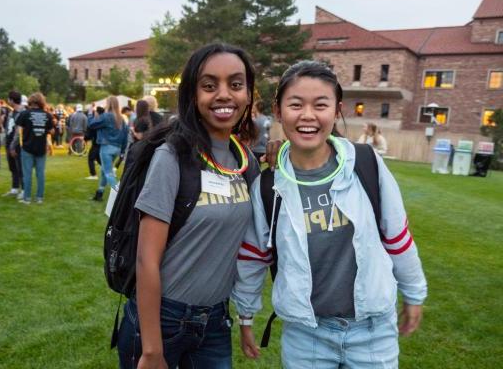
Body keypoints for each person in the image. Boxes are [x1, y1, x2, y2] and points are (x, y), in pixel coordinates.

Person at [233, 61, 427, 368]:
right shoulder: (268, 185)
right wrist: (245, 314)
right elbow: (254, 255)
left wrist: (414, 293)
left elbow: (397, 236)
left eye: (320, 105)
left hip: (373, 331)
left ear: (336, 110)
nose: (308, 115)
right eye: (296, 104)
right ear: (279, 110)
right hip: (306, 335)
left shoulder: (366, 163)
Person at [116, 43, 260, 369]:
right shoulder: (172, 157)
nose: (224, 95)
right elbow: (146, 259)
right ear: (193, 96)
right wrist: (152, 349)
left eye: (235, 85)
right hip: (162, 318)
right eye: (209, 86)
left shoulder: (245, 162)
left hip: (215, 322)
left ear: (248, 94)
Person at [11, 92, 54, 204]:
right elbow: (52, 131)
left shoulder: (24, 114)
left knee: (27, 174)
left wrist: (12, 145)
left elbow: (17, 131)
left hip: (27, 147)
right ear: (41, 102)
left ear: (31, 101)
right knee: (40, 174)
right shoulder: (47, 115)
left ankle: (27, 198)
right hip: (41, 148)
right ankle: (39, 198)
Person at [89, 96, 128, 201]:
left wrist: (93, 114)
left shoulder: (106, 116)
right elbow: (125, 135)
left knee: (108, 173)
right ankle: (99, 193)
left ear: (108, 104)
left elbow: (91, 124)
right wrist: (123, 151)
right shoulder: (121, 119)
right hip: (117, 148)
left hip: (106, 147)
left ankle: (121, 196)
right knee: (104, 170)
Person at [1, 91, 25, 198]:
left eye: (8, 99)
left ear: (11, 100)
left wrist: (13, 146)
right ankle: (15, 188)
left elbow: (19, 132)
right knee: (12, 167)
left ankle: (24, 190)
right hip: (9, 142)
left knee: (20, 167)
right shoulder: (11, 112)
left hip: (17, 145)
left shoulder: (22, 113)